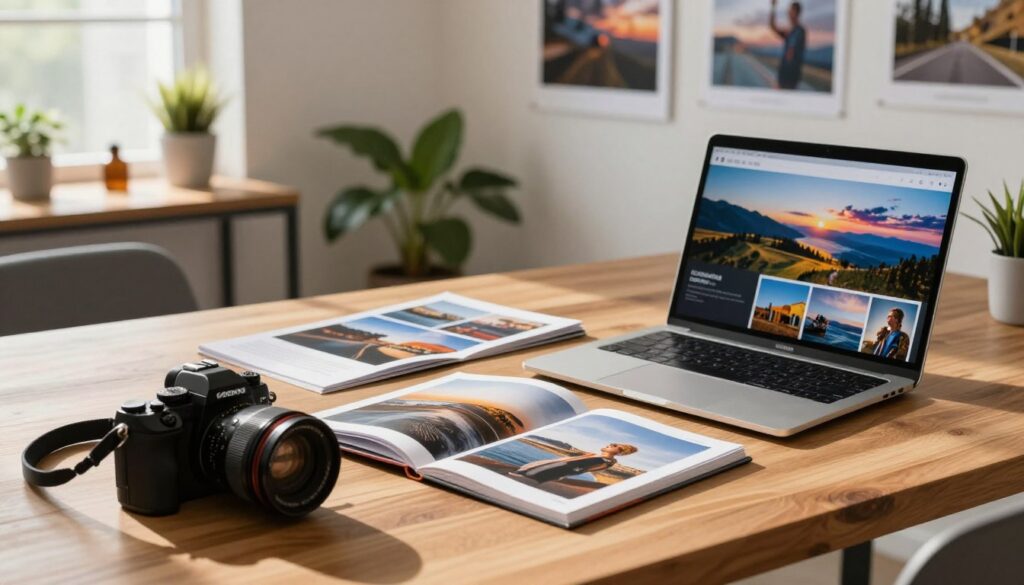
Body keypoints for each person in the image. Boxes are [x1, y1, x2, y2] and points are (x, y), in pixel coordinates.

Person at [510, 443, 638, 484]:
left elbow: (587, 470)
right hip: (561, 463)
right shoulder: (594, 454)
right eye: (612, 443)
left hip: (565, 468)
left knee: (536, 474)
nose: (610, 445)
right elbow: (574, 459)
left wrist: (569, 470)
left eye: (614, 446)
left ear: (619, 452)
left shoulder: (608, 461)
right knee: (533, 468)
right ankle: (519, 476)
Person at [769, 0, 807, 90]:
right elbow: (773, 27)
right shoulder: (790, 32)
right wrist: (773, 8)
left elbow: (790, 54)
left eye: (790, 11)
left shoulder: (799, 31)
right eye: (789, 11)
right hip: (785, 78)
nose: (788, 13)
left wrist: (782, 82)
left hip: (789, 79)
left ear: (796, 12)